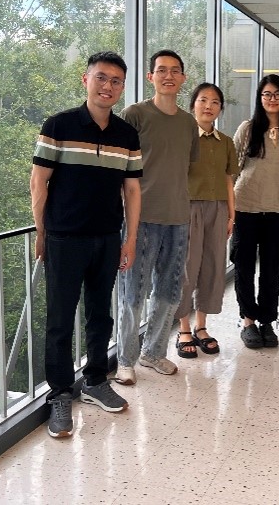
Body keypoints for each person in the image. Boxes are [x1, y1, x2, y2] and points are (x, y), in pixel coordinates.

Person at [30, 51, 142, 438]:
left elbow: (132, 189)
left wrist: (130, 240)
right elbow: (38, 182)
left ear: (122, 87)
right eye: (101, 77)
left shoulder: (127, 134)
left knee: (100, 315)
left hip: (108, 238)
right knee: (59, 320)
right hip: (63, 238)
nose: (108, 86)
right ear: (86, 79)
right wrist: (41, 232)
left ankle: (95, 381)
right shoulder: (58, 125)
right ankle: (60, 394)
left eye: (116, 81)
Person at [114, 50, 199, 384]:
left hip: (178, 218)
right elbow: (120, 167)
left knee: (169, 291)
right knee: (132, 292)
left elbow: (185, 167)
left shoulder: (188, 122)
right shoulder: (134, 114)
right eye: (161, 70)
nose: (168, 76)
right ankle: (125, 359)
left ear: (182, 79)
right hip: (140, 219)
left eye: (175, 71)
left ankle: (154, 353)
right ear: (150, 77)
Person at [231, 74, 279, 349]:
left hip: (277, 209)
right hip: (245, 206)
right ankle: (248, 321)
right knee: (244, 266)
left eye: (277, 94)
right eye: (266, 94)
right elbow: (233, 168)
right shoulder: (247, 129)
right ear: (260, 99)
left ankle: (268, 321)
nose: (272, 99)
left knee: (272, 268)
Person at [173, 83, 238, 358]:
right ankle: (183, 328)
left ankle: (202, 327)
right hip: (187, 208)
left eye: (214, 102)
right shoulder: (182, 138)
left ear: (220, 108)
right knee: (188, 267)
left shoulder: (225, 142)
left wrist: (231, 214)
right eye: (203, 100)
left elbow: (228, 179)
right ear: (193, 105)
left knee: (212, 266)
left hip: (218, 208)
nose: (208, 106)